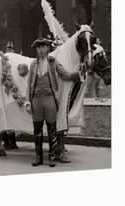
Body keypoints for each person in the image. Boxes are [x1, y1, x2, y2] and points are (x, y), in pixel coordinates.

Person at [25, 36, 81, 167]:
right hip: (36, 99)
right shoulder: (33, 64)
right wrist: (28, 101)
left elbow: (64, 74)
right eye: (38, 48)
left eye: (43, 47)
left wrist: (78, 74)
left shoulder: (53, 61)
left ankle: (51, 156)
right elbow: (29, 84)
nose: (41, 50)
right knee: (37, 128)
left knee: (51, 128)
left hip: (50, 98)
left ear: (48, 48)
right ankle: (38, 157)